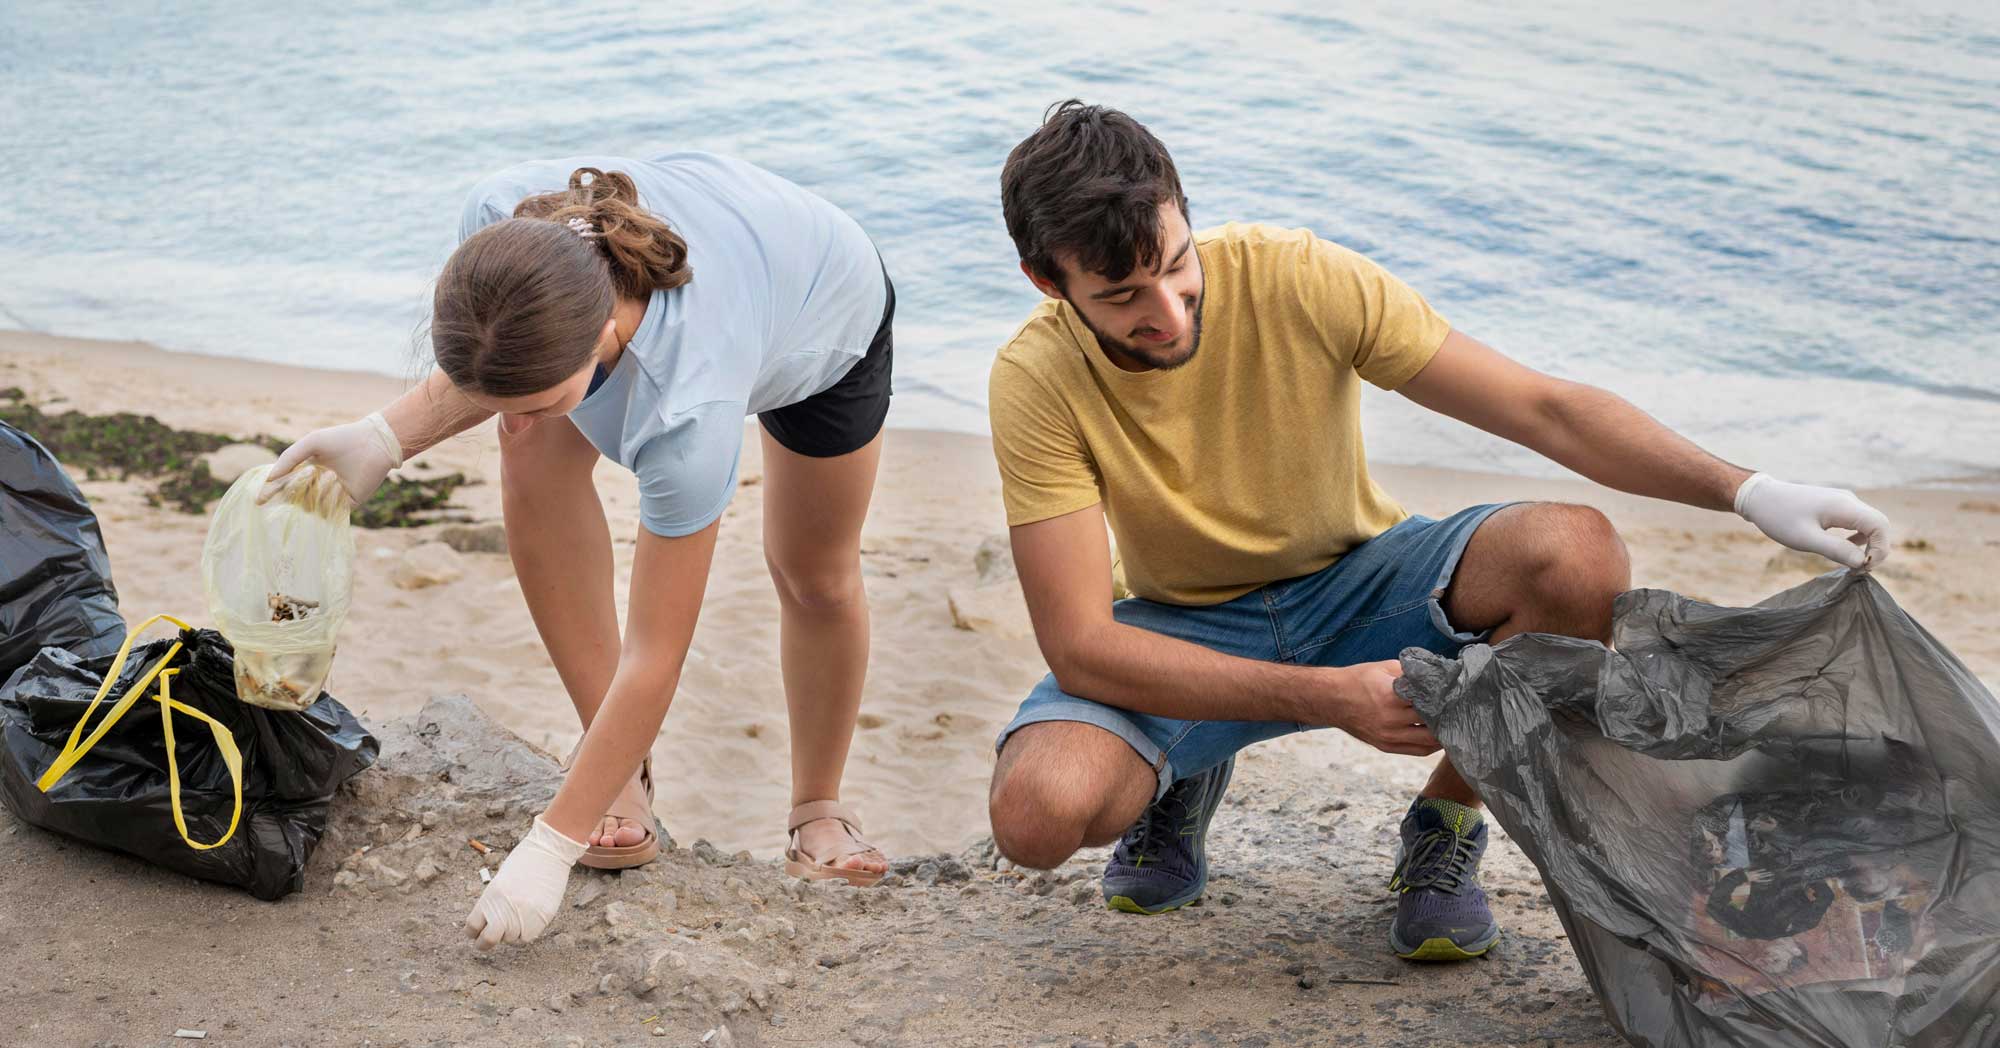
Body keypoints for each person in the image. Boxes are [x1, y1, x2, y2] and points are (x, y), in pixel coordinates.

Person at [983, 101, 1894, 962]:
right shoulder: (1036, 378)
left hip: (1362, 579)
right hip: (1183, 621)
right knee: (1038, 816)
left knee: (1577, 554)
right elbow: (1081, 646)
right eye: (1125, 296)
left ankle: (1446, 821)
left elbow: (1546, 411)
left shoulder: (1297, 276)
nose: (1172, 313)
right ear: (1048, 281)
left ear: (1187, 214)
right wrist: (1326, 696)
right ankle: (1180, 780)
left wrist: (1747, 490)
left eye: (1179, 265)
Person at [264, 152, 897, 948]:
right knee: (530, 454)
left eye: (538, 399)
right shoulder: (499, 225)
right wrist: (385, 437)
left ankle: (819, 810)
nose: (516, 419)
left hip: (821, 308)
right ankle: (621, 777)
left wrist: (549, 845)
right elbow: (503, 379)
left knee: (813, 575)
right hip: (714, 255)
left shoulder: (686, 411)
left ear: (600, 338)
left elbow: (656, 656)